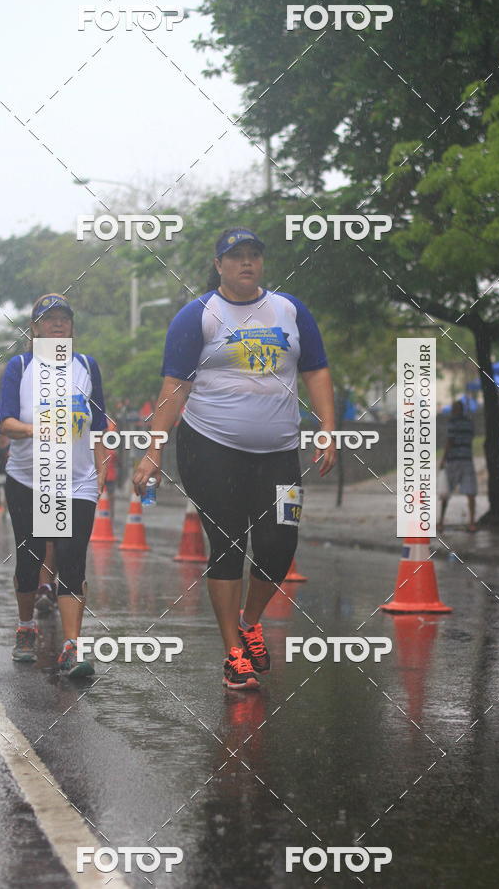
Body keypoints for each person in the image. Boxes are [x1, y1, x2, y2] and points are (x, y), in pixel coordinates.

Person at [133, 228, 336, 690]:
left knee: (281, 543)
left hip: (280, 452)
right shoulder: (198, 316)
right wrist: (153, 450)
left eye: (254, 255)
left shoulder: (290, 310)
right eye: (236, 256)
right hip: (209, 449)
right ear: (219, 264)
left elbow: (315, 370)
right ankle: (231, 653)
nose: (247, 263)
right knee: (228, 545)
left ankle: (250, 621)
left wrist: (328, 429)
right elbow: (175, 387)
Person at [0, 294, 108, 677]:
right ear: (35, 328)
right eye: (49, 319)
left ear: (72, 327)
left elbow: (101, 428)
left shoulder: (87, 366)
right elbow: (4, 422)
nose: (58, 325)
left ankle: (72, 648)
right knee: (30, 561)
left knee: (73, 561)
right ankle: (26, 627)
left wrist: (102, 470)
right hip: (30, 479)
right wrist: (35, 429)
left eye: (64, 319)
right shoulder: (20, 366)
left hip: (77, 482)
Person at [439, 399, 478, 531]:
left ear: (455, 410)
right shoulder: (469, 423)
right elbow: (471, 437)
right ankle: (472, 522)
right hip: (467, 459)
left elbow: (449, 441)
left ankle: (441, 522)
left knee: (446, 492)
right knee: (471, 492)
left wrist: (443, 460)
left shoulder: (452, 423)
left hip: (454, 460)